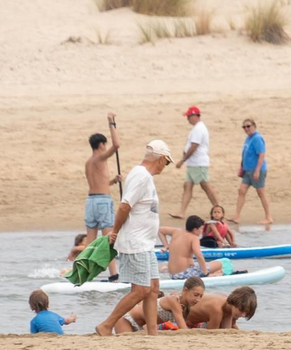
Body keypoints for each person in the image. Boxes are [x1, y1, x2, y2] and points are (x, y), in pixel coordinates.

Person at [95, 140, 172, 336]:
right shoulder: (141, 176)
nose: (166, 166)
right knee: (141, 290)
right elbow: (124, 205)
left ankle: (152, 332)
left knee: (154, 288)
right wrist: (115, 231)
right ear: (161, 159)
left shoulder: (145, 177)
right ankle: (107, 324)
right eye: (167, 162)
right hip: (136, 242)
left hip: (146, 243)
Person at [173, 106, 220, 220]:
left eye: (189, 116)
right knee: (187, 186)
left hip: (198, 163)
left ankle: (218, 209)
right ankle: (181, 212)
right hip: (193, 163)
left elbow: (194, 146)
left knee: (205, 186)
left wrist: (182, 160)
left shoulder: (199, 128)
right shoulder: (196, 128)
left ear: (195, 116)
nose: (188, 119)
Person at [82, 113, 120, 249]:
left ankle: (87, 269)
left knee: (90, 244)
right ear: (101, 145)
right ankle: (114, 271)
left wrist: (114, 181)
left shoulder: (88, 163)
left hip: (90, 202)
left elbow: (98, 184)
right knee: (107, 239)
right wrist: (111, 124)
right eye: (105, 144)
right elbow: (116, 145)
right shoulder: (100, 158)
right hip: (103, 201)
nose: (106, 146)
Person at [232, 118, 272, 228]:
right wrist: (241, 167)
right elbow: (244, 153)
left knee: (261, 193)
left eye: (248, 126)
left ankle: (268, 217)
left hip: (256, 170)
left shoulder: (257, 138)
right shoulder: (248, 138)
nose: (246, 129)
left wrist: (257, 171)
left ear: (254, 126)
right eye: (244, 127)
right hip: (247, 170)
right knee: (241, 191)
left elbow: (261, 155)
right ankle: (236, 216)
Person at [160, 216, 224, 278]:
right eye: (201, 229)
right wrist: (206, 273)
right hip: (183, 274)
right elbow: (198, 255)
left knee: (200, 264)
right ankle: (210, 274)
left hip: (172, 274)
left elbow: (160, 230)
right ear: (195, 230)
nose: (202, 231)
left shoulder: (176, 231)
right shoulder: (194, 238)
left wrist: (166, 245)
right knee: (219, 264)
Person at [183, 286, 258, 329]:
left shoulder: (227, 305)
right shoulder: (217, 310)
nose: (243, 315)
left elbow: (227, 329)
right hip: (182, 320)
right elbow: (213, 334)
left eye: (245, 313)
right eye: (241, 310)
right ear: (236, 302)